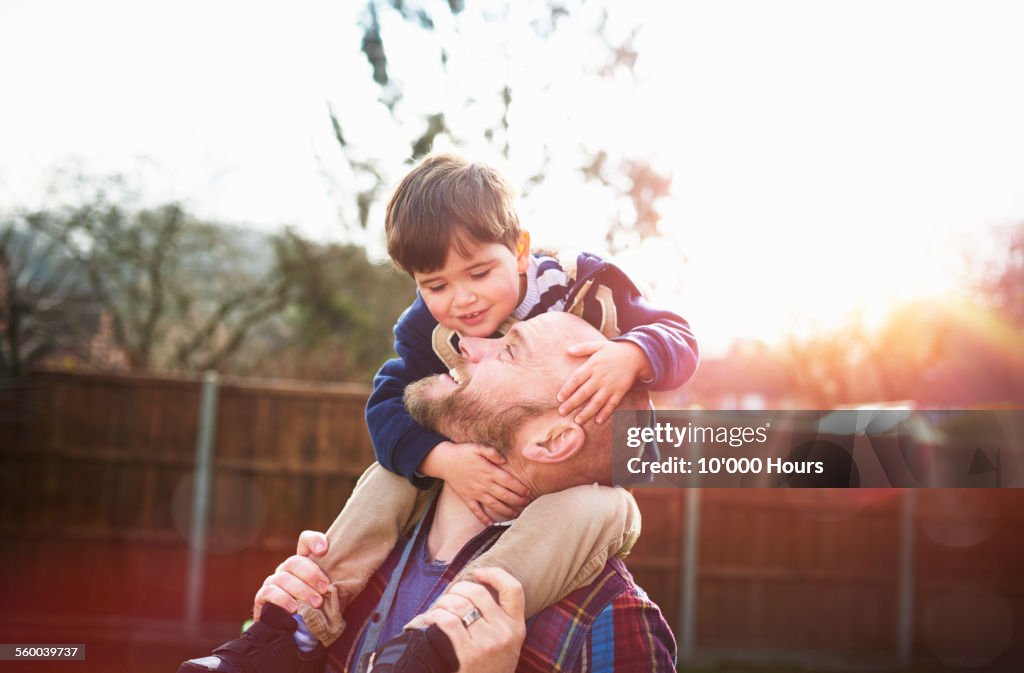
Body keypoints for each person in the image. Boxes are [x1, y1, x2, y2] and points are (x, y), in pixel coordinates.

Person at [179, 155, 697, 673]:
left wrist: (634, 354)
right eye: (436, 286)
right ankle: (295, 625)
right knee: (391, 470)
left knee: (601, 507)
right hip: (440, 471)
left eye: (478, 273)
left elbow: (679, 334)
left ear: (520, 249)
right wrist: (441, 458)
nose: (463, 307)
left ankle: (460, 621)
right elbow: (388, 405)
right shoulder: (426, 330)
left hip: (599, 481)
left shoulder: (586, 284)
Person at [226, 313, 678, 673]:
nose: (467, 343)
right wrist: (291, 646)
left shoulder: (610, 621)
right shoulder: (362, 557)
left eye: (509, 352)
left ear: (551, 442)